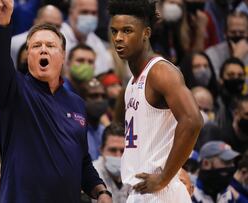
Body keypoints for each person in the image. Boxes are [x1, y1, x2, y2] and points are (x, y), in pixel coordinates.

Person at [0, 0, 112, 202]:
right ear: (28, 55)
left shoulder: (77, 103)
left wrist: (100, 191)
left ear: (63, 56)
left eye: (51, 45)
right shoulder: (14, 90)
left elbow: (81, 161)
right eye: (36, 46)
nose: (43, 50)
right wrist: (3, 21)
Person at [108, 0, 203, 202]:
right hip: (141, 190)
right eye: (114, 31)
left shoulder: (160, 71)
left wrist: (163, 178)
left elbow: (193, 120)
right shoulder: (132, 84)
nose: (118, 38)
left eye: (127, 31)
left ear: (146, 33)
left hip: (160, 192)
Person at [61, 0, 114, 75]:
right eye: (84, 12)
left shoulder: (95, 41)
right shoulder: (59, 37)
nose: (89, 17)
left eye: (93, 13)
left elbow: (103, 74)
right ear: (71, 12)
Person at [92, 123, 130, 203]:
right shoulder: (91, 173)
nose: (118, 155)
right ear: (101, 150)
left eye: (123, 151)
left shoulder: (134, 174)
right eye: (113, 150)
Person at [205, 12, 248, 76]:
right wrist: (236, 58)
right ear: (225, 33)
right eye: (233, 32)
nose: (237, 35)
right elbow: (215, 82)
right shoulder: (212, 53)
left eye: (241, 32)